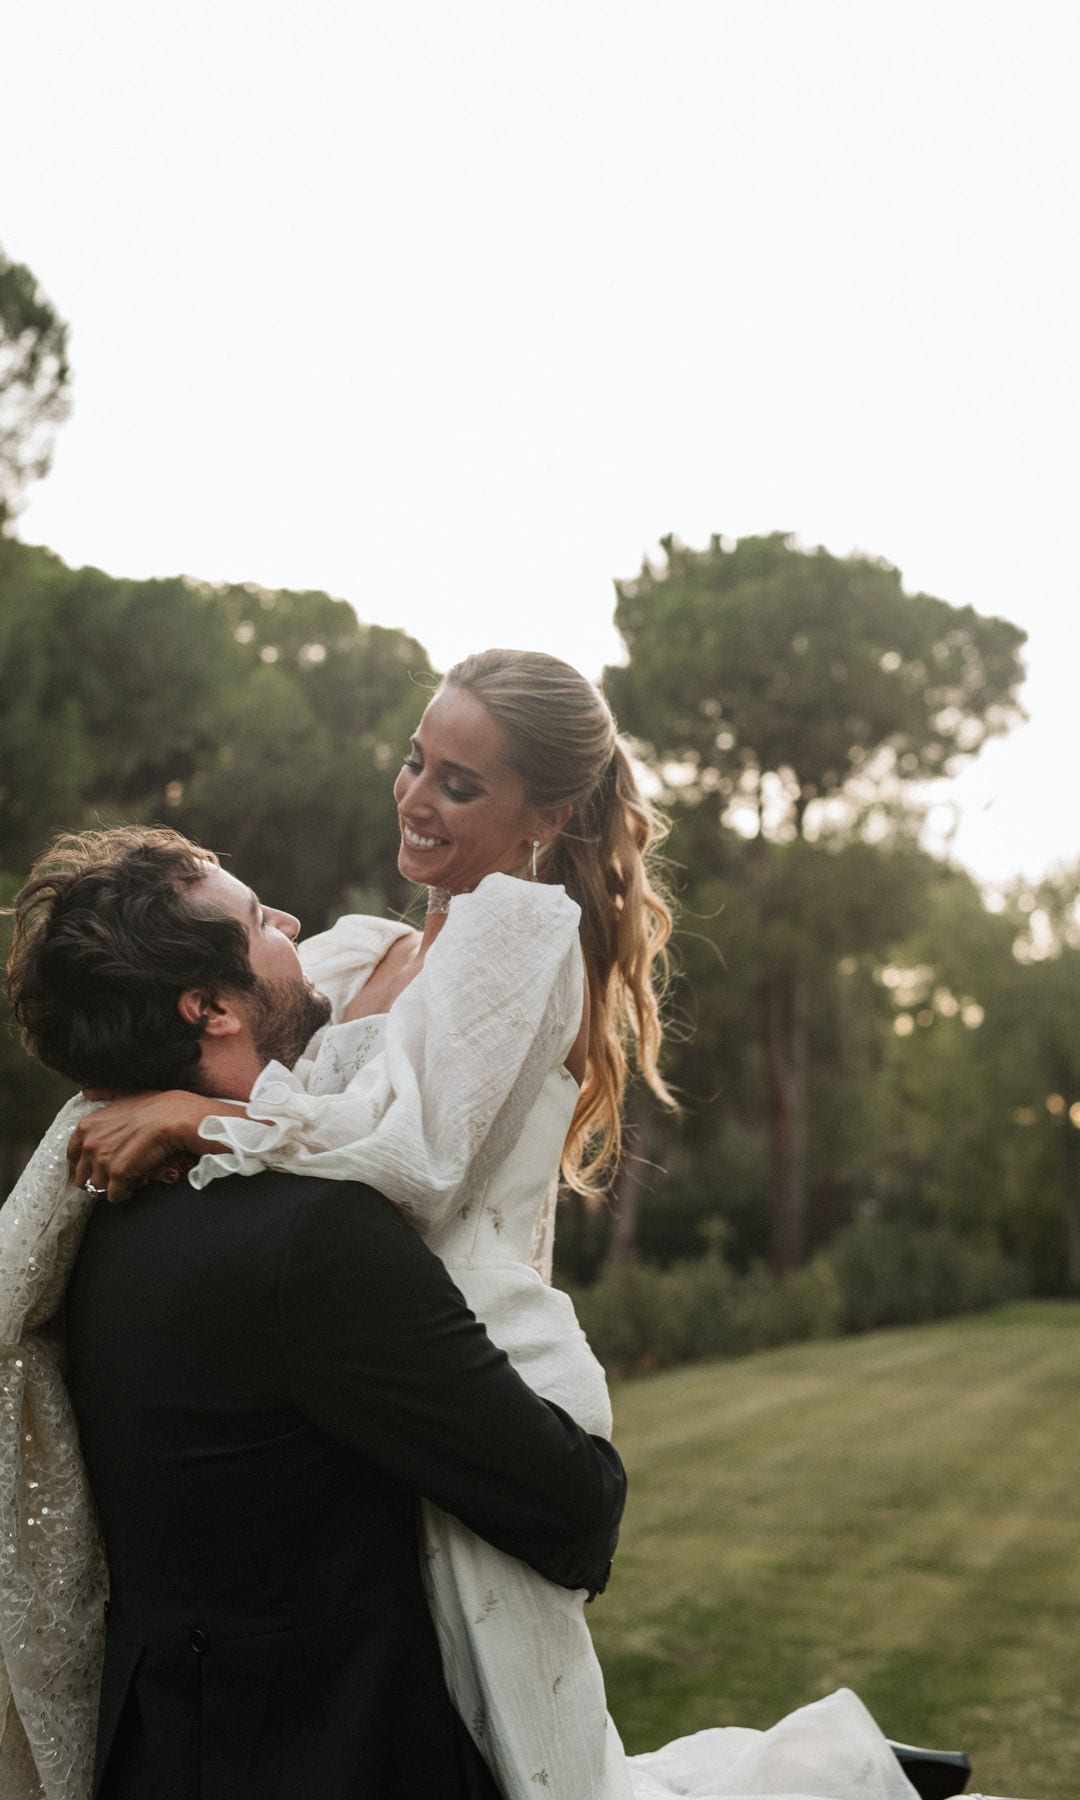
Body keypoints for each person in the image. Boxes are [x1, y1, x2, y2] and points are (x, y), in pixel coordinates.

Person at [59, 651, 921, 1800]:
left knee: (515, 1733)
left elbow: (409, 1157)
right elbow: (220, 1032)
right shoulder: (366, 951)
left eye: (460, 784)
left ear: (545, 815)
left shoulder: (517, 936)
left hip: (467, 1339)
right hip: (356, 1336)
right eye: (416, 759)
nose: (417, 797)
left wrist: (196, 1119)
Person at [1, 826, 627, 1800]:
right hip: (335, 1758)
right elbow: (573, 1508)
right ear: (211, 1007)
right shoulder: (311, 1236)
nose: (294, 924)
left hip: (161, 1757)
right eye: (259, 921)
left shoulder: (100, 1215)